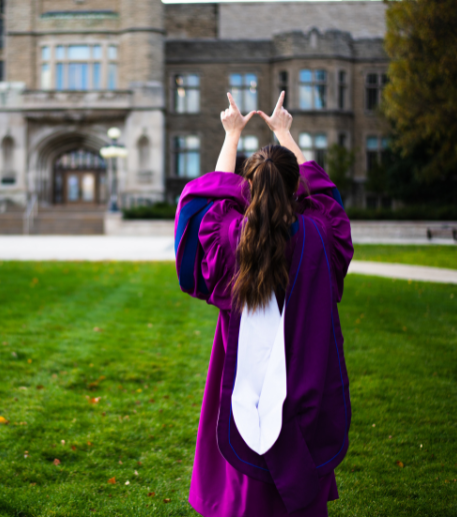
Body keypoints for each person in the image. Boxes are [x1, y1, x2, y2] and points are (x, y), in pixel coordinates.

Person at [174, 91, 353, 517]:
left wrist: (231, 135)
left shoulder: (231, 237)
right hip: (306, 362)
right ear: (295, 186)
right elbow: (324, 195)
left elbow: (210, 202)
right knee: (296, 432)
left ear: (248, 187)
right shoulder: (319, 235)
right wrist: (285, 133)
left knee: (248, 424)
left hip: (241, 360)